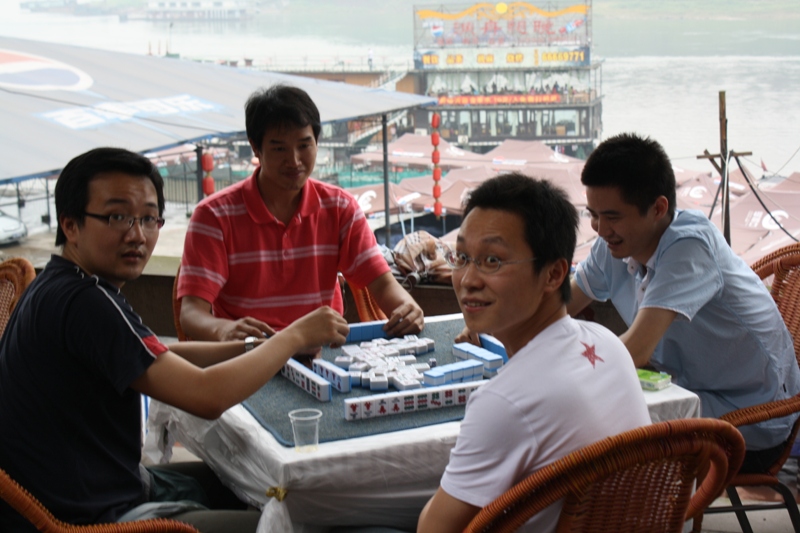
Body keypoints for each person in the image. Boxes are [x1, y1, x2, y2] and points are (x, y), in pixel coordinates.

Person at [0, 147, 350, 532]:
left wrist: (261, 344)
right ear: (70, 224)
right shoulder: (87, 303)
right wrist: (296, 334)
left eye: (149, 218)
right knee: (299, 518)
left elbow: (154, 354)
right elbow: (206, 397)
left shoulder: (63, 283)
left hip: (95, 487)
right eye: (117, 217)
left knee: (271, 484)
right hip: (91, 517)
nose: (137, 235)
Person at [418, 173, 650, 533]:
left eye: (492, 261)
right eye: (462, 256)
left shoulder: (505, 403)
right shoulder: (607, 343)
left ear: (554, 274)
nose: (467, 279)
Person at [568, 132, 800, 472]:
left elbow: (634, 351)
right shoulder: (614, 243)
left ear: (659, 208)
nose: (600, 229)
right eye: (593, 215)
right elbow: (559, 306)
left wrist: (558, 371)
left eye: (613, 217)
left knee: (590, 430)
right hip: (687, 391)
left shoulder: (689, 247)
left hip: (752, 421)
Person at [178, 84, 423, 344]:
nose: (294, 161)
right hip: (249, 359)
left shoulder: (340, 208)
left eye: (304, 145)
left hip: (323, 353)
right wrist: (223, 330)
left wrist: (408, 308)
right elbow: (191, 312)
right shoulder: (214, 216)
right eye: (279, 148)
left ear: (317, 142)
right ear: (255, 147)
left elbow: (383, 285)